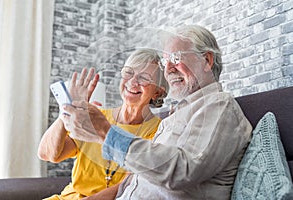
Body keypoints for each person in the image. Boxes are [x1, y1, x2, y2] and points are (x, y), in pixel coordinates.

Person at [60, 25, 253, 200]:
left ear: (206, 60)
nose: (168, 69)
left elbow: (182, 171)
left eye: (176, 58)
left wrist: (105, 132)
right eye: (165, 61)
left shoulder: (219, 106)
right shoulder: (176, 115)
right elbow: (139, 179)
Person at [37, 48, 168, 199]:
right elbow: (48, 154)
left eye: (144, 77)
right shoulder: (96, 117)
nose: (132, 82)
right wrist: (68, 108)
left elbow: (128, 186)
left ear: (157, 92)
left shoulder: (160, 131)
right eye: (128, 73)